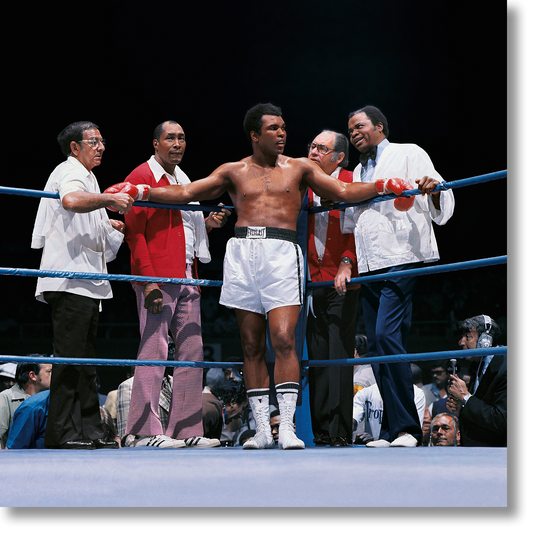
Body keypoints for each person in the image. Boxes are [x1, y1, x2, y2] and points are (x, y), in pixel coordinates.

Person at [107, 103, 437, 450]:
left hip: (281, 252)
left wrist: (382, 185)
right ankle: (263, 429)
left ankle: (289, 427)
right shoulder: (233, 170)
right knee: (251, 344)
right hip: (243, 251)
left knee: (282, 338)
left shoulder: (299, 168)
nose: (282, 133)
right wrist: (140, 191)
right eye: (273, 129)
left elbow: (341, 192)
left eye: (283, 127)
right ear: (254, 135)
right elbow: (187, 193)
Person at [343, 105, 455, 447]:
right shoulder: (359, 171)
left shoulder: (409, 152)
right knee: (377, 344)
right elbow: (352, 221)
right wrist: (349, 262)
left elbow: (441, 195)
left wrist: (433, 188)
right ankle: (393, 430)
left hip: (402, 256)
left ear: (380, 126)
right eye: (349, 130)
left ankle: (408, 427)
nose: (354, 133)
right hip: (370, 262)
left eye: (360, 126)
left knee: (385, 336)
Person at [122, 121, 229, 449]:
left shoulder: (183, 180)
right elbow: (134, 233)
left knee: (192, 351)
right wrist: (149, 282)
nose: (177, 143)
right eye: (170, 138)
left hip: (187, 273)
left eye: (182, 138)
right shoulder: (140, 177)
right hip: (158, 277)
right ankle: (141, 432)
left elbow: (180, 233)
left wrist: (206, 225)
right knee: (154, 348)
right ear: (155, 143)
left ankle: (185, 429)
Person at [31, 121, 133, 450]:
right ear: (75, 147)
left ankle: (90, 431)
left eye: (103, 141)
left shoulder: (89, 176)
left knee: (86, 363)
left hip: (86, 281)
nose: (101, 146)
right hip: (70, 279)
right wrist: (109, 200)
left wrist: (108, 220)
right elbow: (71, 201)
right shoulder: (69, 170)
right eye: (94, 141)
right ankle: (62, 434)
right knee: (71, 359)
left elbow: (89, 220)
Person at [305, 130, 359, 447]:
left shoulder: (351, 179)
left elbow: (359, 226)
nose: (313, 152)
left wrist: (347, 261)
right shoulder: (304, 182)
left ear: (338, 156)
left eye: (321, 148)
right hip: (312, 278)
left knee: (339, 352)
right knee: (318, 355)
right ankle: (321, 431)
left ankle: (339, 430)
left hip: (342, 276)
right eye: (311, 146)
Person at [446, 315, 507, 446]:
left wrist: (465, 396)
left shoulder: (504, 367)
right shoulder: (478, 365)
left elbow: (501, 420)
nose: (461, 342)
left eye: (467, 337)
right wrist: (461, 409)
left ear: (485, 341)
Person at [0, 358, 52, 448]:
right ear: (33, 376)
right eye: (49, 372)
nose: (53, 376)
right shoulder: (5, 398)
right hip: (16, 457)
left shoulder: (50, 398)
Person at [353, 382, 426, 445]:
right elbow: (353, 421)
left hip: (401, 450)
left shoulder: (416, 393)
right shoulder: (366, 392)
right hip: (372, 451)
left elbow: (411, 432)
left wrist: (374, 440)